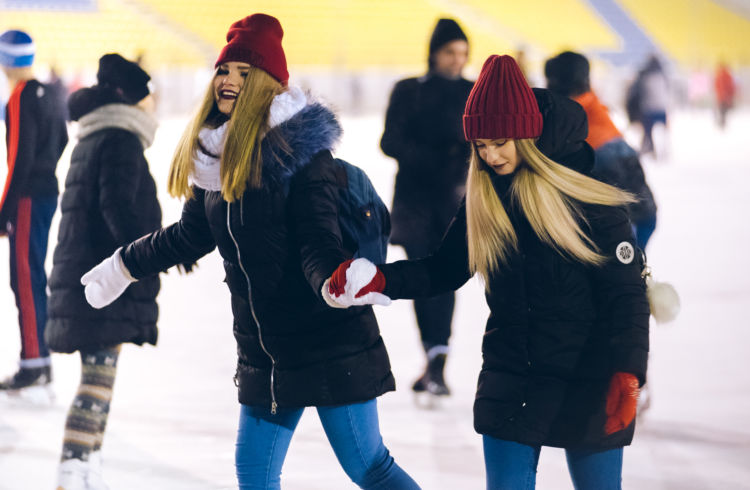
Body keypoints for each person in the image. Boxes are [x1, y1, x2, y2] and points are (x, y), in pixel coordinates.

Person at [79, 14, 420, 490]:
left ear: (270, 85)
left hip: (329, 342)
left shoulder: (304, 162)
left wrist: (333, 279)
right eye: (224, 70)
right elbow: (189, 236)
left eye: (245, 71)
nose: (230, 80)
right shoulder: (217, 167)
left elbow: (318, 242)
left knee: (368, 466)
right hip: (265, 352)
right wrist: (124, 266)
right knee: (254, 474)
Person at [325, 55, 650, 489]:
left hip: (588, 376)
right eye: (479, 145)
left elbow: (625, 298)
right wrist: (382, 280)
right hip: (512, 375)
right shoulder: (486, 197)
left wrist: (628, 372)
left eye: (500, 141)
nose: (490, 155)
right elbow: (444, 269)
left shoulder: (589, 202)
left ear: (526, 134)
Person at [41, 53, 160, 490]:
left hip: (91, 274)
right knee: (97, 377)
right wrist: (150, 254)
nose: (154, 107)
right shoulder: (119, 139)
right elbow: (118, 209)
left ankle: (85, 464)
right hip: (104, 280)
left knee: (101, 375)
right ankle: (73, 468)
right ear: (133, 101)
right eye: (149, 99)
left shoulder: (96, 134)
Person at [380, 17, 473, 397]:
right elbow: (389, 141)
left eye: (463, 53)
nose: (458, 60)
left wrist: (458, 162)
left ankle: (438, 357)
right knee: (422, 279)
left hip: (454, 202)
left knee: (446, 277)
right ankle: (434, 356)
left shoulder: (473, 90)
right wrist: (435, 157)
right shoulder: (408, 90)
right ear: (435, 53)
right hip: (417, 202)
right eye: (451, 52)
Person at [0, 29, 68, 394]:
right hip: (46, 193)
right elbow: (62, 138)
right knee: (33, 276)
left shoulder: (19, 97)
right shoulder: (51, 92)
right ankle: (39, 355)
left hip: (27, 198)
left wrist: (3, 209)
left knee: (24, 278)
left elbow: (17, 160)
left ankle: (34, 361)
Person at [545, 51, 658, 250]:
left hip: (604, 162)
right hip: (625, 162)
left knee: (620, 243)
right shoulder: (590, 99)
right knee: (635, 232)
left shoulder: (563, 112)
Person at [628, 55, 670, 158]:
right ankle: (663, 151)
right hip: (661, 108)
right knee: (663, 131)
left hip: (648, 108)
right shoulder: (663, 75)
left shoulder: (644, 75)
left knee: (648, 132)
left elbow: (638, 93)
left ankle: (651, 149)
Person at [714, 61, 736, 130]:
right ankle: (722, 122)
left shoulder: (719, 75)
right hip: (726, 96)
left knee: (722, 110)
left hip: (721, 96)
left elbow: (717, 86)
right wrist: (731, 95)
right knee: (723, 110)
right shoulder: (727, 75)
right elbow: (731, 86)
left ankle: (722, 122)